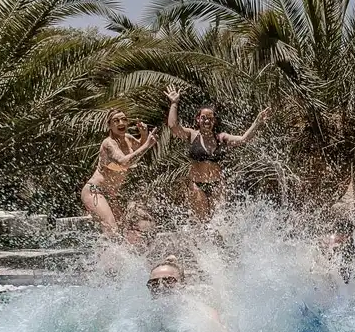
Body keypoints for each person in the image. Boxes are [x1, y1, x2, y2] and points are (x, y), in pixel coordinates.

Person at [165, 86, 271, 221]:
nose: (207, 121)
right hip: (197, 185)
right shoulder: (192, 135)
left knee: (218, 223)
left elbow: (243, 139)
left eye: (210, 118)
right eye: (203, 118)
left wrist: (257, 121)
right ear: (198, 120)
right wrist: (174, 103)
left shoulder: (221, 137)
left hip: (217, 185)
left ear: (214, 121)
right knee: (203, 223)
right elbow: (173, 127)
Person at [81, 109, 158, 238]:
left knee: (123, 230)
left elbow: (139, 146)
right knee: (112, 229)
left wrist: (144, 134)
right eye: (116, 121)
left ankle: (109, 256)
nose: (121, 122)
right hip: (95, 191)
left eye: (123, 119)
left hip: (111, 195)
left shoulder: (127, 138)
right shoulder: (109, 143)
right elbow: (124, 162)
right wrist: (147, 145)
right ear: (109, 125)